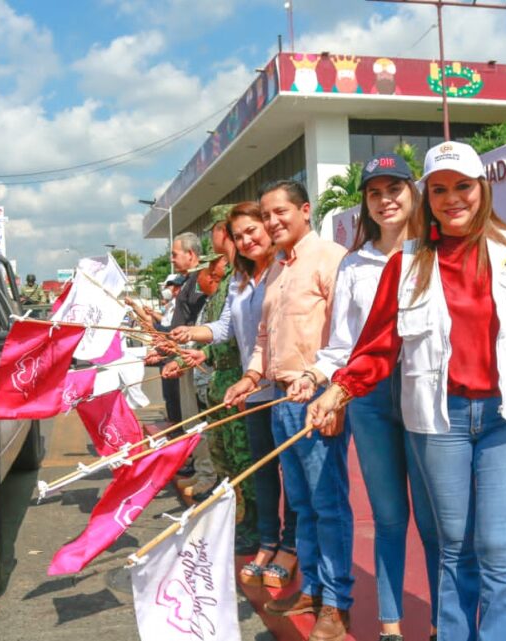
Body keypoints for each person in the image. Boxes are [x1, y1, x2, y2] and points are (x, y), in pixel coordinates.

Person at [309, 142, 506, 641]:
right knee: (454, 546)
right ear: (426, 196)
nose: (453, 198)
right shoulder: (406, 263)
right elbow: (376, 346)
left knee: (497, 546)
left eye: (462, 186)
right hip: (438, 423)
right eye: (440, 189)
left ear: (482, 189)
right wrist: (339, 390)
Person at [290, 154, 439, 641]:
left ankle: (443, 623)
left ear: (412, 193)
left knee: (437, 520)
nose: (385, 200)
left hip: (428, 396)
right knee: (390, 517)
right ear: (365, 203)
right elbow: (342, 344)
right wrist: (317, 378)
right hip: (372, 400)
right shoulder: (354, 262)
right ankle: (391, 625)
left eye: (394, 189)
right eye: (374, 193)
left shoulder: (436, 253)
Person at [223, 179, 352, 641]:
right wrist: (251, 377)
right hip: (279, 401)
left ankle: (337, 605)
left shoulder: (332, 260)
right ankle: (314, 589)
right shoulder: (277, 267)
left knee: (329, 504)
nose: (273, 221)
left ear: (305, 210)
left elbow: (346, 336)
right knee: (301, 504)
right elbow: (263, 339)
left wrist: (334, 392)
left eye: (280, 213)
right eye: (267, 213)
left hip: (317, 400)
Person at [170, 203, 298, 589]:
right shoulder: (241, 279)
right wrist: (192, 336)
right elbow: (227, 326)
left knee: (294, 476)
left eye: (251, 231)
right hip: (253, 388)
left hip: (290, 388)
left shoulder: (286, 267)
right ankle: (267, 540)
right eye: (238, 235)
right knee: (258, 471)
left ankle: (290, 545)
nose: (245, 240)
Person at [167, 212, 260, 552]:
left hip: (242, 378)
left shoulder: (253, 276)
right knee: (227, 457)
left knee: (246, 460)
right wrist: (192, 342)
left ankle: (255, 523)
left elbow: (238, 335)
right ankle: (240, 517)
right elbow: (221, 328)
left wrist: (198, 346)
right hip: (224, 378)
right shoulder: (234, 281)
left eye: (220, 232)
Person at [153, 232, 206, 424]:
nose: (172, 259)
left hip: (191, 355)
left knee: (195, 415)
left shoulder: (200, 280)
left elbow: (197, 321)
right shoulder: (187, 281)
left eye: (175, 254)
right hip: (181, 353)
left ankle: (199, 453)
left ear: (190, 254)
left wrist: (179, 347)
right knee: (186, 413)